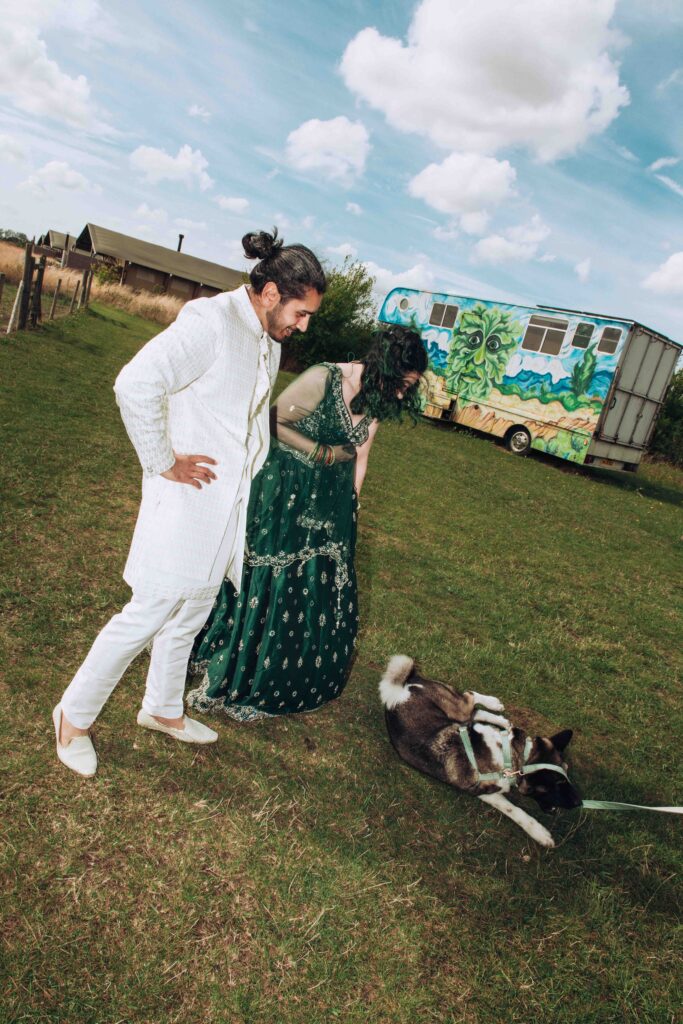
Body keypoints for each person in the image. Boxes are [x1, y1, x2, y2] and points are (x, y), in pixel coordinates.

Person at [54, 229, 326, 776]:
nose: (303, 325)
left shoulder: (269, 343)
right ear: (271, 292)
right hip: (185, 498)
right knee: (149, 612)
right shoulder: (210, 323)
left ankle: (161, 709)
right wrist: (161, 460)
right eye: (300, 312)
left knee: (194, 610)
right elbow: (136, 384)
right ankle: (72, 718)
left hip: (227, 506)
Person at [186, 326, 427, 721]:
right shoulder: (324, 377)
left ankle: (289, 667)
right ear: (382, 367)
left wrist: (352, 505)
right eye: (400, 384)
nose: (401, 394)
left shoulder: (378, 400)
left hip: (329, 498)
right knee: (271, 573)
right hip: (284, 490)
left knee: (314, 577)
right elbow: (274, 421)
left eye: (408, 387)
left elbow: (360, 456)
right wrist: (321, 452)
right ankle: (243, 663)